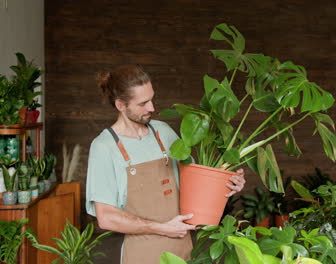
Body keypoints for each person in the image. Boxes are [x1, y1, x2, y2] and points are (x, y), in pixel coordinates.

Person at [85, 65, 245, 263]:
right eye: (143, 103)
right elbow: (106, 217)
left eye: (152, 99)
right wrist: (161, 228)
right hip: (142, 254)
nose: (152, 108)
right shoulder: (104, 147)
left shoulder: (163, 132)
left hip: (183, 250)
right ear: (121, 105)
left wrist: (229, 181)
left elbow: (197, 182)